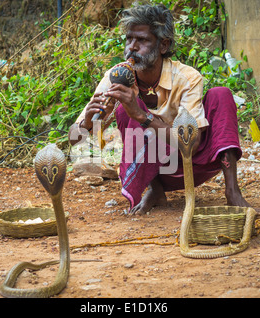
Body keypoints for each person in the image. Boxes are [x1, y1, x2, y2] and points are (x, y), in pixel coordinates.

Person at [68, 3, 250, 215]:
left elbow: (191, 144)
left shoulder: (187, 78)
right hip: (158, 170)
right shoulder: (117, 76)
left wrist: (141, 115)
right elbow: (73, 140)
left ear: (163, 45)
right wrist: (88, 123)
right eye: (129, 39)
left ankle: (232, 191)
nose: (132, 47)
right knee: (123, 109)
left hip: (193, 162)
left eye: (142, 40)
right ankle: (155, 189)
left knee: (221, 94)